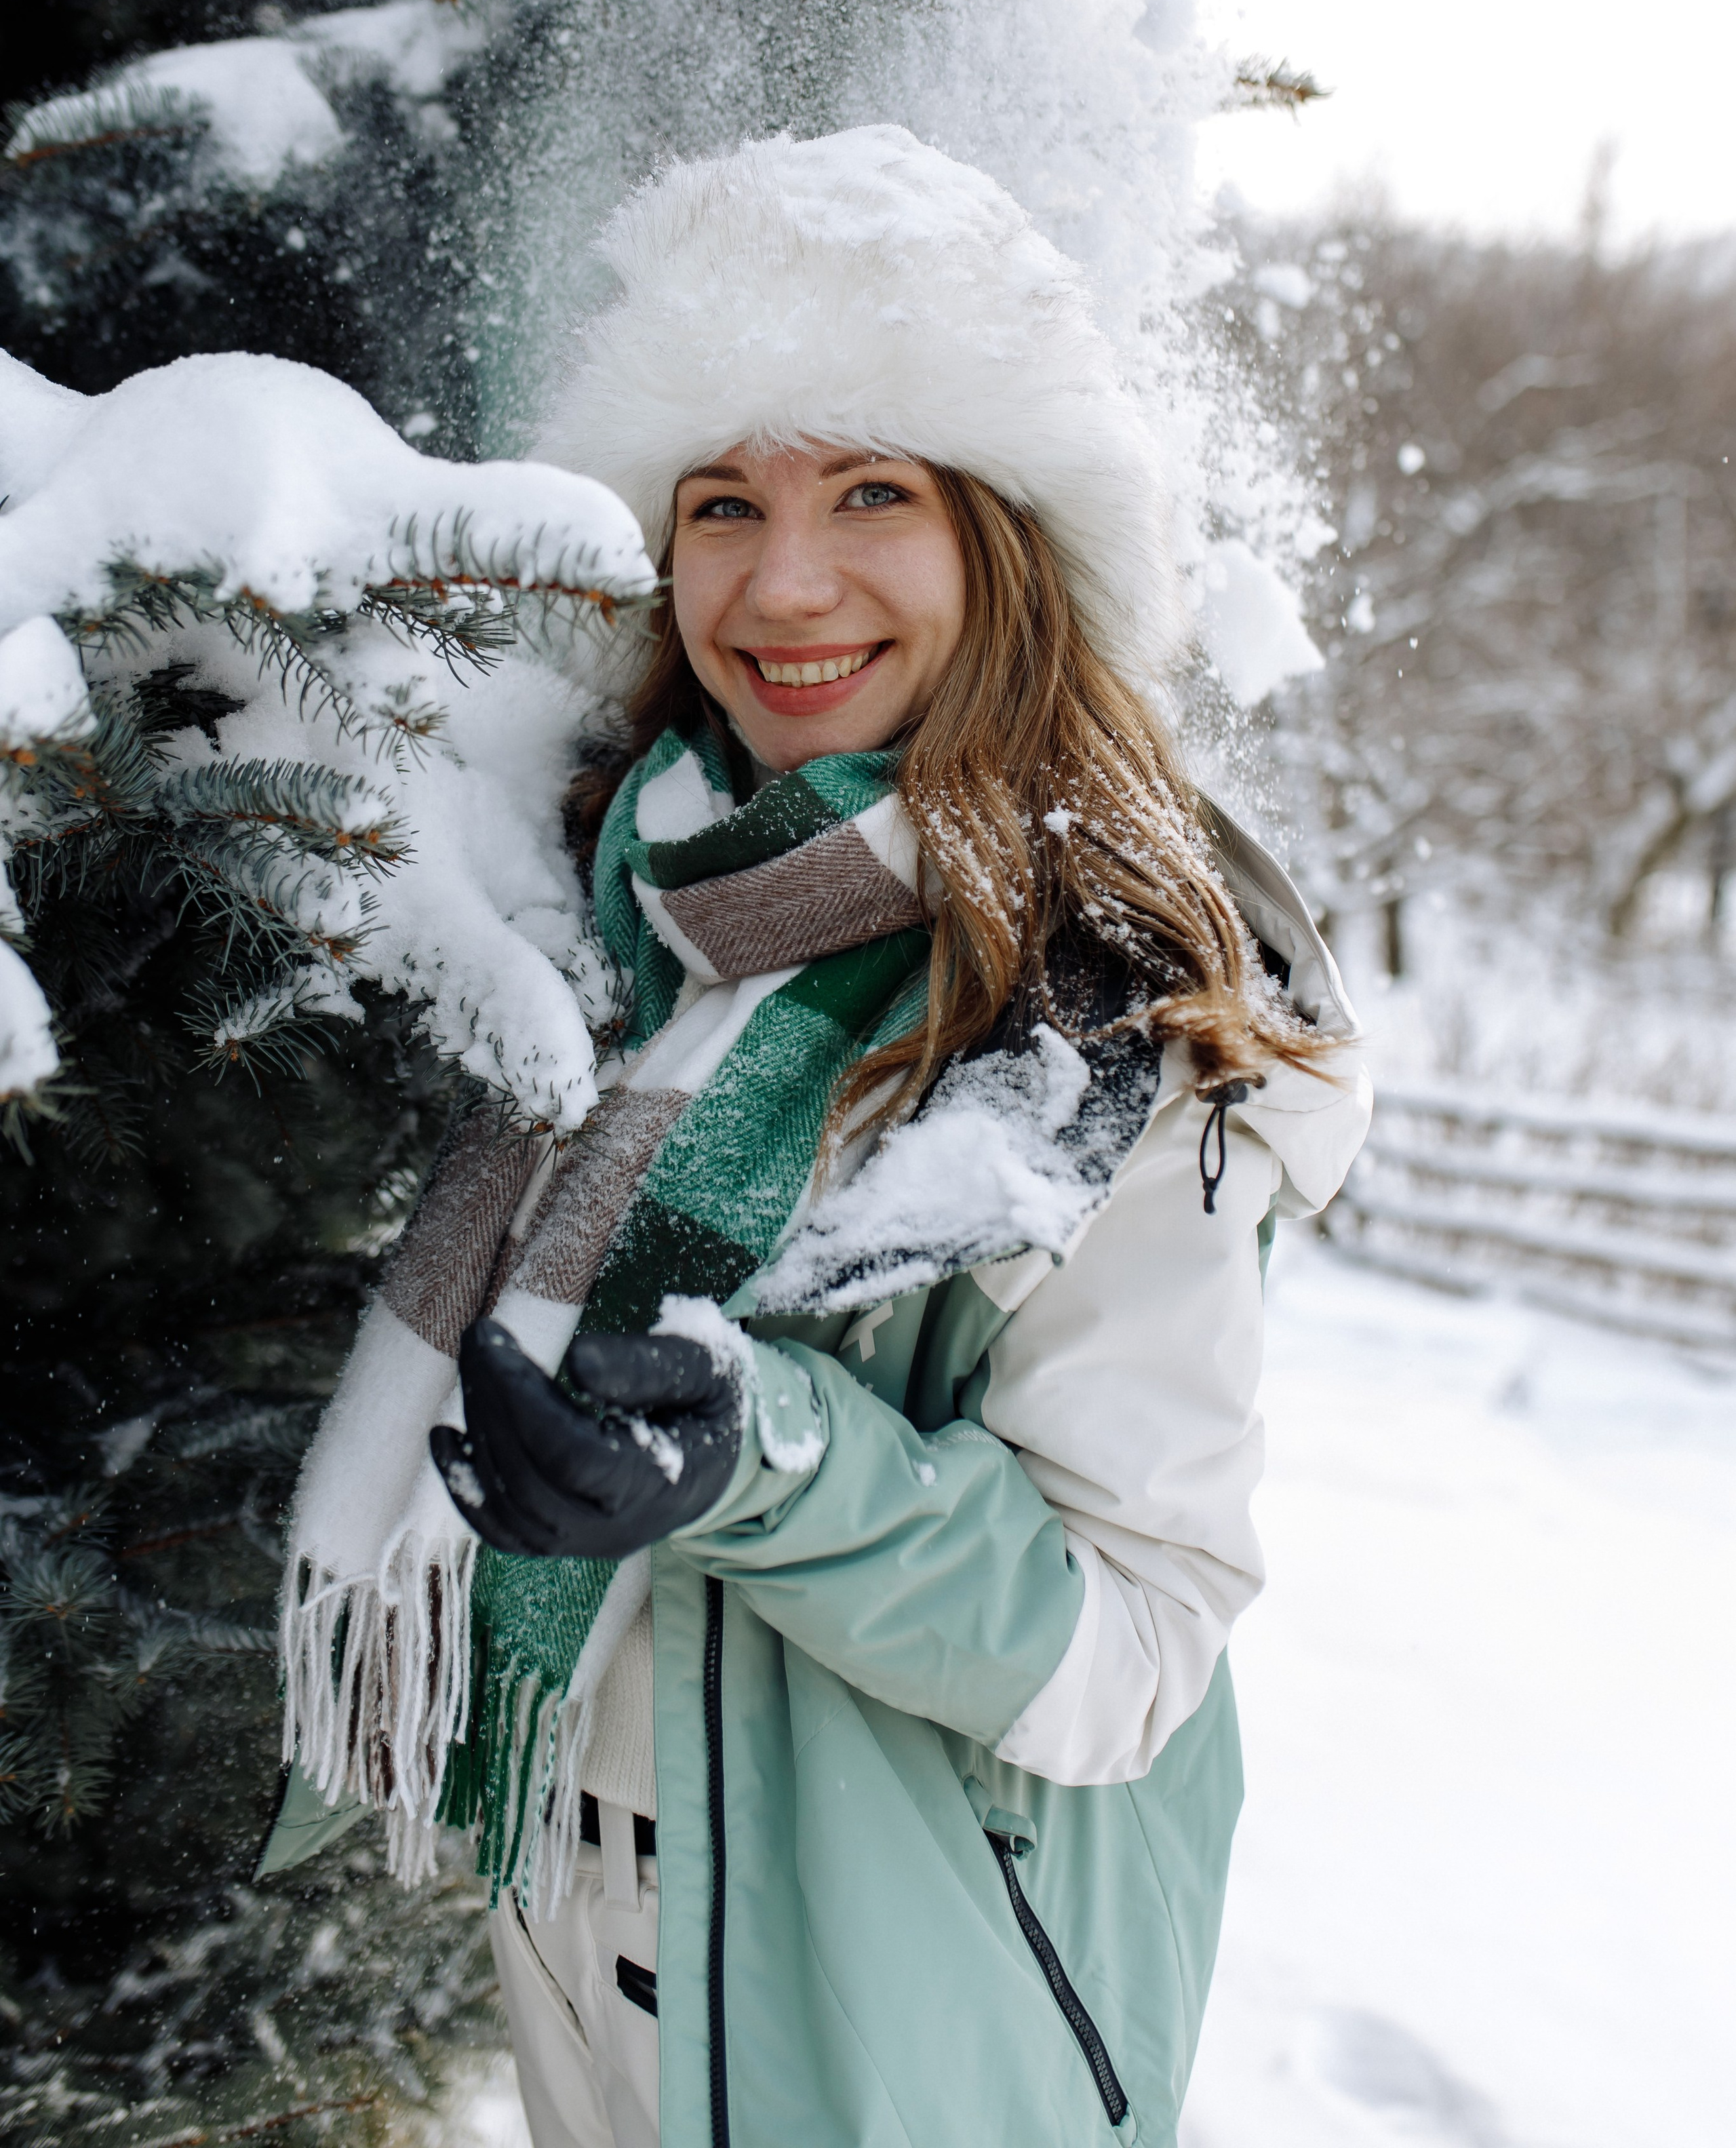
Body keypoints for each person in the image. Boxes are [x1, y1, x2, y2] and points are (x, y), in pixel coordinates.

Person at [271, 125, 1370, 2148]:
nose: (784, 583)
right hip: (600, 1970)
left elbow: (1130, 1647)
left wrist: (760, 1456)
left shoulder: (1106, 1003)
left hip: (916, 2023)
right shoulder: (619, 916)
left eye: (874, 491)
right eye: (722, 502)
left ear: (1011, 545)